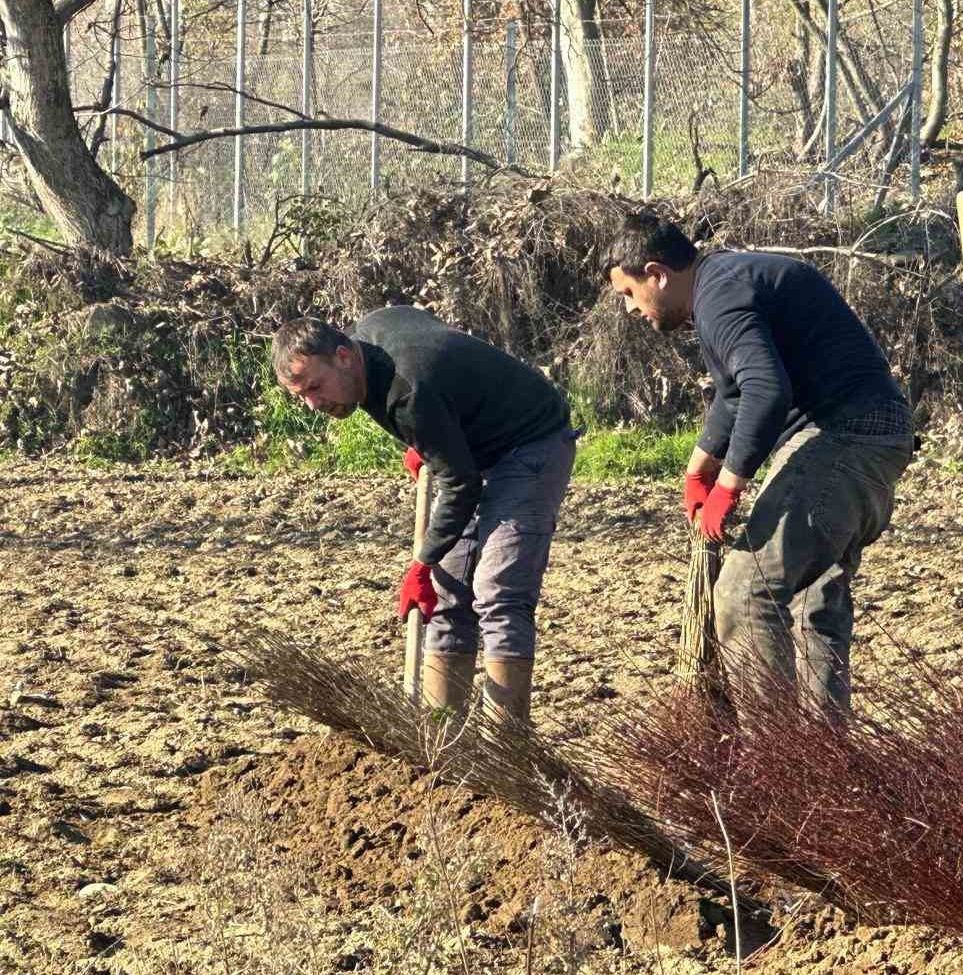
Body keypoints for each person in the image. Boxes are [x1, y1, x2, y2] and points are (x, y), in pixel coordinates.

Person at [602, 211, 914, 715]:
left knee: (746, 593)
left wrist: (728, 487)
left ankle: (773, 753)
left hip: (844, 434)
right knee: (813, 598)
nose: (630, 308)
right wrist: (699, 468)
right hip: (878, 434)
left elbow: (766, 391)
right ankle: (822, 753)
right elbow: (733, 394)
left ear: (656, 274)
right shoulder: (726, 281)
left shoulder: (719, 295)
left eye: (628, 293)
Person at [271, 306, 577, 722]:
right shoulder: (365, 343)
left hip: (530, 442)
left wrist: (421, 563)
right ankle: (441, 736)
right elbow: (422, 329)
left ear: (343, 356)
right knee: (445, 595)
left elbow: (460, 485)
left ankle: (507, 743)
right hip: (471, 446)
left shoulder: (409, 390)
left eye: (315, 387)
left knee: (498, 593)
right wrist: (433, 438)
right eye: (300, 396)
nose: (312, 404)